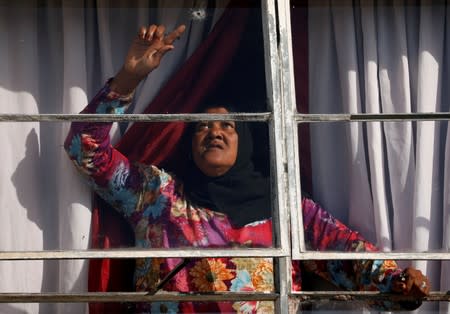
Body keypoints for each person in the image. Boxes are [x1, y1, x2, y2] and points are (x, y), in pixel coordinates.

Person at [64, 24, 430, 313]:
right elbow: (86, 150)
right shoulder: (158, 195)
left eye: (229, 126)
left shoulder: (285, 210)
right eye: (202, 126)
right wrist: (127, 80)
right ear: (189, 145)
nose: (214, 132)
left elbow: (345, 255)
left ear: (247, 144)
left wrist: (398, 282)